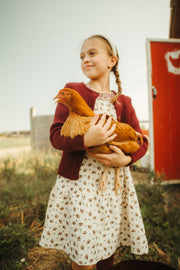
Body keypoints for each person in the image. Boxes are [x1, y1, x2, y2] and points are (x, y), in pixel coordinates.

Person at [39, 35, 149, 270]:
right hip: (81, 187)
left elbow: (142, 142)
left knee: (106, 247)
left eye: (91, 53)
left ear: (112, 60)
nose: (85, 59)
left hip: (113, 188)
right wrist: (86, 140)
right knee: (84, 255)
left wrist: (126, 158)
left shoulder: (124, 102)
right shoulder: (72, 91)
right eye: (81, 56)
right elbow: (56, 136)